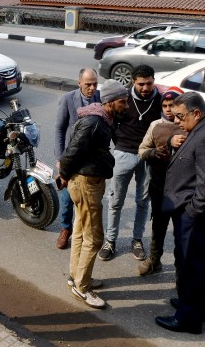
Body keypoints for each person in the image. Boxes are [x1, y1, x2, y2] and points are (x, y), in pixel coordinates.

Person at [156, 92, 205, 335]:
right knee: (199, 263)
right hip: (197, 213)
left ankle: (188, 319)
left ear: (196, 113)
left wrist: (192, 211)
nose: (177, 121)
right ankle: (199, 307)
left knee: (190, 264)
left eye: (180, 116)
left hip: (195, 215)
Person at [58, 79, 128, 310]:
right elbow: (72, 151)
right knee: (95, 237)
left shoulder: (102, 118)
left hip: (88, 181)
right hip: (86, 183)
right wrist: (65, 175)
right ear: (109, 102)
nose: (126, 105)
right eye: (122, 101)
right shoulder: (94, 122)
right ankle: (83, 287)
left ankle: (76, 276)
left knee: (79, 231)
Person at [99, 64, 163, 262]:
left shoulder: (160, 101)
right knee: (115, 200)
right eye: (141, 84)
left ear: (153, 81)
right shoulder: (123, 98)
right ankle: (110, 240)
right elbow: (110, 120)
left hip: (148, 156)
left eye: (149, 83)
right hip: (123, 154)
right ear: (133, 82)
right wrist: (119, 146)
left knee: (143, 202)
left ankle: (137, 239)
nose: (145, 88)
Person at [136, 86, 186, 276]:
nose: (168, 109)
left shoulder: (187, 125)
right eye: (164, 105)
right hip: (159, 185)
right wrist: (153, 153)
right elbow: (141, 151)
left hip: (182, 188)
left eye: (171, 105)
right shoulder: (156, 125)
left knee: (181, 232)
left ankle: (181, 271)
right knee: (158, 227)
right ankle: (154, 261)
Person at [54, 68, 100, 249]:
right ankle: (66, 228)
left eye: (95, 83)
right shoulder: (67, 99)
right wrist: (59, 158)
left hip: (92, 159)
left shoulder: (101, 98)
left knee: (90, 197)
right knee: (67, 198)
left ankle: (86, 230)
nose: (92, 88)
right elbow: (59, 129)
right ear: (79, 83)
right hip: (70, 157)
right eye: (88, 84)